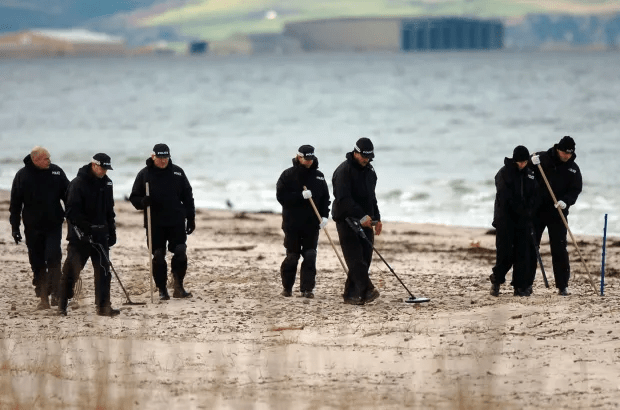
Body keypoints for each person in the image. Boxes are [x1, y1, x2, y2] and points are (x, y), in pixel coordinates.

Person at [129, 143, 195, 300]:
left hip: (176, 221)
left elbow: (188, 196)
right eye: (160, 157)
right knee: (158, 255)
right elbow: (134, 197)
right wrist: (143, 202)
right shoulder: (144, 174)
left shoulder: (178, 173)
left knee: (180, 252)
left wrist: (191, 217)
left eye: (166, 157)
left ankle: (178, 286)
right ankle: (162, 289)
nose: (163, 161)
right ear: (153, 156)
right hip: (155, 223)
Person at [58, 153, 119, 316]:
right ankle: (62, 305)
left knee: (104, 271)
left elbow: (109, 210)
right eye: (102, 168)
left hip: (101, 234)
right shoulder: (78, 184)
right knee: (71, 271)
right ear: (94, 165)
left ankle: (103, 307)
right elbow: (71, 212)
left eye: (107, 169)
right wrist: (86, 229)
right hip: (80, 236)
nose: (104, 171)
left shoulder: (107, 183)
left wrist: (111, 231)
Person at [9, 146, 70, 310]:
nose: (49, 161)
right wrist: (15, 227)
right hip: (32, 226)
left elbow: (69, 195)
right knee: (37, 262)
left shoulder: (56, 172)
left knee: (53, 257)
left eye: (49, 158)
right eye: (46, 158)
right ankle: (43, 298)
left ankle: (57, 293)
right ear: (35, 159)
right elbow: (15, 204)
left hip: (53, 224)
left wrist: (73, 216)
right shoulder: (22, 175)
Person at [331, 138, 382, 305]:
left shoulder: (370, 171)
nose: (366, 160)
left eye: (369, 157)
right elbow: (343, 200)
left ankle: (351, 295)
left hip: (366, 220)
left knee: (365, 258)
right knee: (355, 259)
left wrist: (377, 218)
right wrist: (361, 216)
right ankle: (367, 290)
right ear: (355, 152)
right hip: (346, 219)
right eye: (363, 156)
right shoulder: (343, 171)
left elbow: (371, 198)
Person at [276, 145, 331, 299]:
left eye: (310, 159)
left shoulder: (319, 176)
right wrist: (300, 196)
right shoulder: (287, 175)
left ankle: (307, 289)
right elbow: (282, 198)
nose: (308, 162)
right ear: (298, 157)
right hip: (292, 225)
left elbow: (325, 199)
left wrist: (325, 216)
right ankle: (287, 288)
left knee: (310, 255)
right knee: (292, 257)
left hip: (312, 224)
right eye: (306, 159)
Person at [531, 136, 582, 296]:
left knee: (560, 248)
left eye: (569, 154)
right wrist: (531, 162)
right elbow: (524, 171)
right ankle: (524, 285)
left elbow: (575, 189)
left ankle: (562, 285)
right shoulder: (542, 158)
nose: (566, 156)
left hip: (558, 212)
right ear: (558, 149)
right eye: (563, 153)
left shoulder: (573, 168)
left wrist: (566, 202)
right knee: (531, 247)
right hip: (537, 211)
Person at [489, 146, 540, 297]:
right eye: (520, 162)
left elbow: (534, 195)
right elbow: (505, 197)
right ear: (514, 160)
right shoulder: (503, 173)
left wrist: (530, 211)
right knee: (505, 255)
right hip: (505, 220)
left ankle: (519, 287)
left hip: (523, 221)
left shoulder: (530, 174)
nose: (523, 165)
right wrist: (521, 210)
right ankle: (496, 280)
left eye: (525, 162)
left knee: (522, 254)